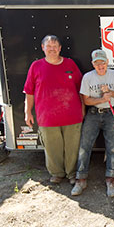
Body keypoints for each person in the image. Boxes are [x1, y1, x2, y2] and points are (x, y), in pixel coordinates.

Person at [23, 35, 83, 185]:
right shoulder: (36, 66)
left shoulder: (70, 64)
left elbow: (81, 89)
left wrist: (83, 110)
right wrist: (27, 112)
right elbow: (29, 92)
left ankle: (72, 173)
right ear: (43, 48)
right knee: (52, 148)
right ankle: (57, 173)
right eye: (48, 46)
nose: (52, 49)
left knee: (72, 147)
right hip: (47, 117)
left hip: (72, 116)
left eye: (55, 46)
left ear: (60, 48)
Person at [71, 49, 114, 197]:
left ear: (107, 62)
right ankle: (80, 179)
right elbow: (86, 100)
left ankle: (111, 180)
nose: (100, 66)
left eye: (103, 63)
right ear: (93, 65)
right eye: (97, 64)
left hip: (111, 113)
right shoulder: (88, 77)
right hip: (94, 114)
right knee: (84, 146)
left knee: (112, 148)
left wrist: (111, 93)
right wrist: (102, 99)